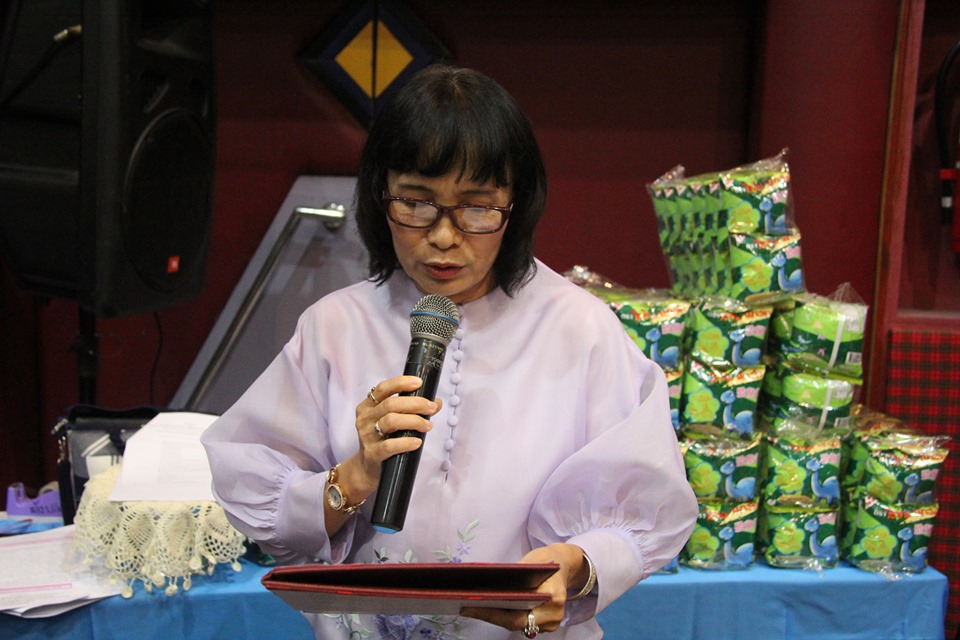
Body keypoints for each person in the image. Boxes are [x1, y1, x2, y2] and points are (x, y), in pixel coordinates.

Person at [200, 64, 697, 639]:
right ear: (380, 197)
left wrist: (577, 566)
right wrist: (354, 477)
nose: (442, 236)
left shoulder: (581, 329)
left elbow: (641, 517)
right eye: (416, 203)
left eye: (476, 207)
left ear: (516, 205)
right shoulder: (335, 326)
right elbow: (262, 504)